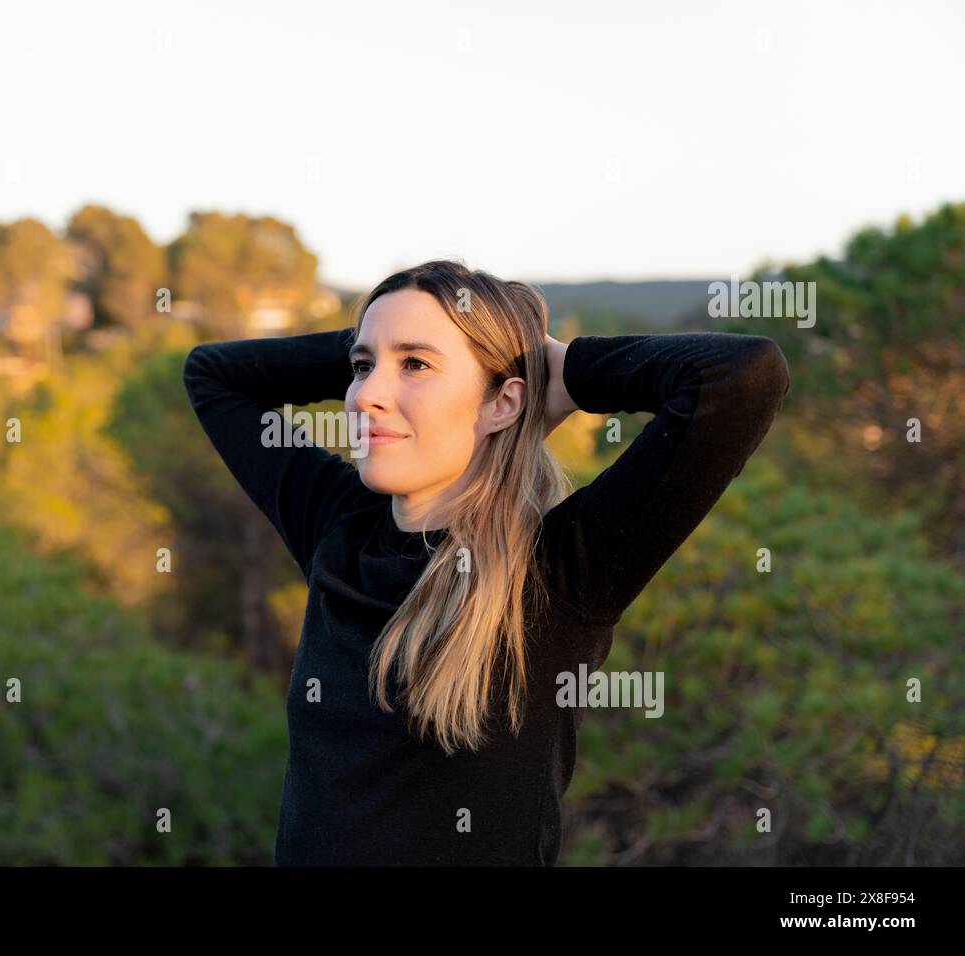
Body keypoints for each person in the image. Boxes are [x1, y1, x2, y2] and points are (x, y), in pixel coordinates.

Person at [182, 258, 791, 865]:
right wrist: (392, 334)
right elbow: (213, 375)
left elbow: (741, 377)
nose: (366, 396)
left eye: (416, 365)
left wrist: (563, 368)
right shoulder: (336, 526)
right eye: (361, 367)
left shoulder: (562, 567)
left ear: (505, 402)